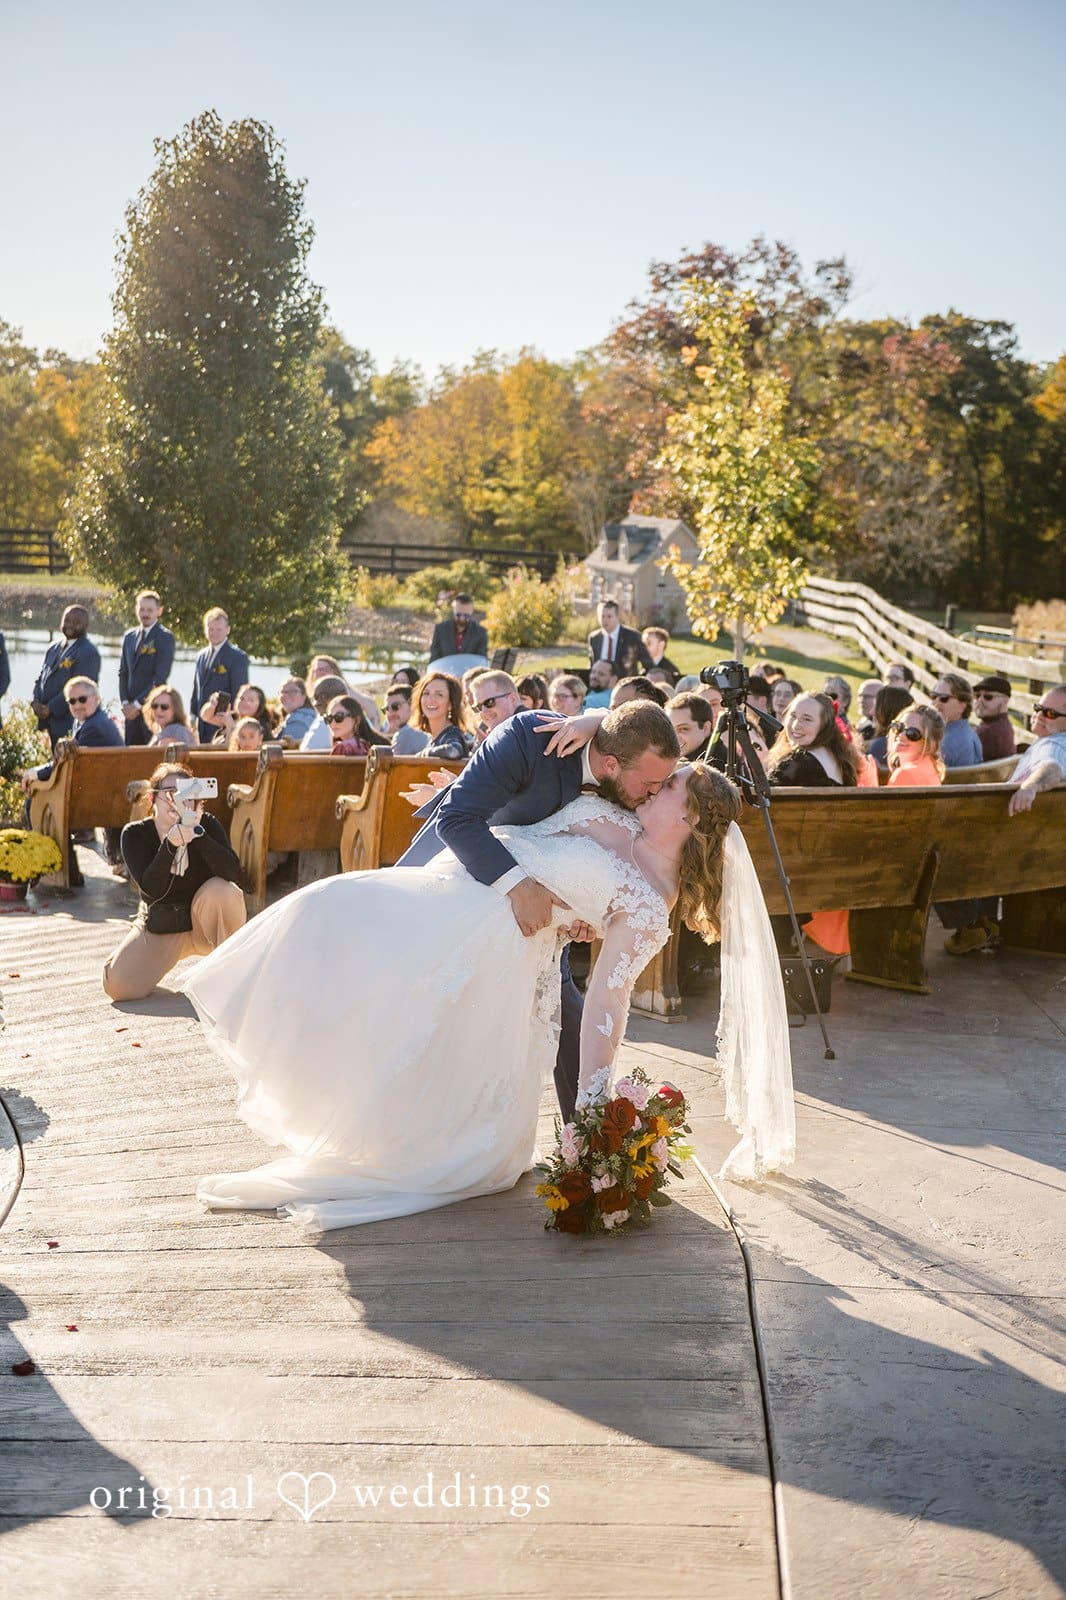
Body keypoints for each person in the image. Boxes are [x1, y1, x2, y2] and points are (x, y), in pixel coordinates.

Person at [185, 737, 795, 1230]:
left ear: (689, 817)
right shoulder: (621, 815)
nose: (656, 787)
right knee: (330, 914)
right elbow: (591, 771)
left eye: (670, 787)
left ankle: (386, 1131)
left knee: (366, 961)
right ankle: (290, 1046)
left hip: (490, 937)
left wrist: (593, 1108)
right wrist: (587, 724)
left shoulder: (647, 903)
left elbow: (608, 1000)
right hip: (461, 885)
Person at [103, 762, 246, 1002]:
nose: (177, 800)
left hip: (205, 923)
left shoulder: (206, 824)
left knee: (224, 891)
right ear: (152, 798)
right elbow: (151, 891)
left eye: (185, 793)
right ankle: (123, 958)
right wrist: (171, 844)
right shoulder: (134, 834)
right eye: (170, 792)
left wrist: (197, 833)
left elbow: (234, 872)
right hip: (163, 923)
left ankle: (230, 973)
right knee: (117, 986)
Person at [31, 605, 102, 747]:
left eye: (76, 622)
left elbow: (81, 688)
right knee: (54, 759)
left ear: (85, 625)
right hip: (49, 721)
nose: (70, 625)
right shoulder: (53, 647)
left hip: (69, 721)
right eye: (67, 620)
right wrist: (36, 701)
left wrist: (51, 708)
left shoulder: (88, 651)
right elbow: (41, 678)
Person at [118, 590, 176, 746]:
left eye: (149, 610)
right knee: (130, 754)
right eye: (142, 609)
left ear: (159, 611)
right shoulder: (129, 637)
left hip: (152, 709)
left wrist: (137, 705)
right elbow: (123, 672)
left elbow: (160, 678)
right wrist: (125, 703)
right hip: (130, 713)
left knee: (150, 754)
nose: (145, 614)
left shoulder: (165, 637)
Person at [767, 693, 862, 788]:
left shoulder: (799, 762)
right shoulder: (841, 760)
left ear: (825, 726)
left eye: (807, 719)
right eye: (793, 716)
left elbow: (765, 794)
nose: (795, 725)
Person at [190, 609, 250, 743]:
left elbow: (239, 693)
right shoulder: (201, 656)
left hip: (221, 725)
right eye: (211, 629)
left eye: (219, 629)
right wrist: (193, 715)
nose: (214, 633)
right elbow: (197, 688)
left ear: (227, 630)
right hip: (202, 723)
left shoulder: (238, 657)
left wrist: (230, 723)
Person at [1007, 687, 1066, 816]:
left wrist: (1030, 786)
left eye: (1050, 714)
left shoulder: (1052, 744)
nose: (1039, 716)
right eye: (1038, 708)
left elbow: (1052, 767)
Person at [410, 671, 474, 759]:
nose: (430, 700)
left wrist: (424, 754)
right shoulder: (433, 738)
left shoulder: (452, 734)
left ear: (450, 704)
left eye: (439, 695)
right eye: (426, 693)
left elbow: (453, 751)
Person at [587, 598, 653, 677]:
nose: (605, 620)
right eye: (602, 616)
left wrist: (637, 681)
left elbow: (649, 665)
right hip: (600, 683)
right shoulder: (594, 638)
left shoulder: (632, 636)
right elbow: (592, 665)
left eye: (609, 617)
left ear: (617, 617)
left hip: (624, 682)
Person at [929, 673, 983, 767]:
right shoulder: (970, 733)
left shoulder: (945, 743)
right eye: (934, 696)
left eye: (944, 698)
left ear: (962, 706)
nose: (935, 703)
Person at [886, 705, 946, 786]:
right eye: (899, 727)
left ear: (929, 744)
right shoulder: (929, 767)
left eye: (912, 733)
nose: (901, 735)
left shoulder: (903, 774)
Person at [202, 684, 275, 747]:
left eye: (251, 700)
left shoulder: (259, 726)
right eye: (241, 698)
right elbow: (205, 716)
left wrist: (231, 727)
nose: (245, 702)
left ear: (260, 705)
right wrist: (213, 704)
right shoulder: (232, 716)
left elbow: (234, 750)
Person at [864, 686, 916, 767]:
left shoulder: (881, 745)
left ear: (888, 712)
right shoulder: (909, 745)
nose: (871, 712)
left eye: (876, 707)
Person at [429, 593, 489, 662]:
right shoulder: (440, 629)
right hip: (444, 668)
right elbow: (434, 659)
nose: (462, 618)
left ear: (471, 612)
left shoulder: (480, 632)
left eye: (466, 615)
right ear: (454, 610)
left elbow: (481, 660)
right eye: (458, 614)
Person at [299, 675, 350, 751]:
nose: (315, 704)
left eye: (316, 697)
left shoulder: (328, 722)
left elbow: (307, 751)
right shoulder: (356, 718)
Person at [972, 675, 1016, 761]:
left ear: (1005, 701)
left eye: (988, 697)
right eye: (977, 696)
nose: (980, 701)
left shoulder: (987, 733)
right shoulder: (1003, 726)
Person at [667, 692, 716, 759]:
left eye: (683, 729)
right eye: (670, 730)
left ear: (705, 728)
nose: (674, 737)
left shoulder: (719, 761)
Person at [384, 684, 430, 754]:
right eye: (386, 709)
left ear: (413, 705)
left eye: (395, 706)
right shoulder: (428, 728)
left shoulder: (404, 735)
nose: (390, 713)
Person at [273, 678, 317, 748]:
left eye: (293, 691)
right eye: (282, 692)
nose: (285, 695)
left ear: (304, 695)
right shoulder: (312, 715)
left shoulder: (298, 721)